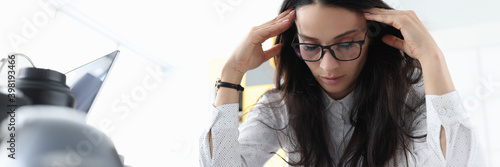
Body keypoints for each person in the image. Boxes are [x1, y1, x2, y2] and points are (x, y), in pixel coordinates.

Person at [200, 0, 485, 166]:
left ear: (371, 36)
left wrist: (432, 58)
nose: (328, 66)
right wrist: (231, 73)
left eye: (346, 44)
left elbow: (462, 162)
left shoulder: (411, 95)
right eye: (310, 47)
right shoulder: (280, 108)